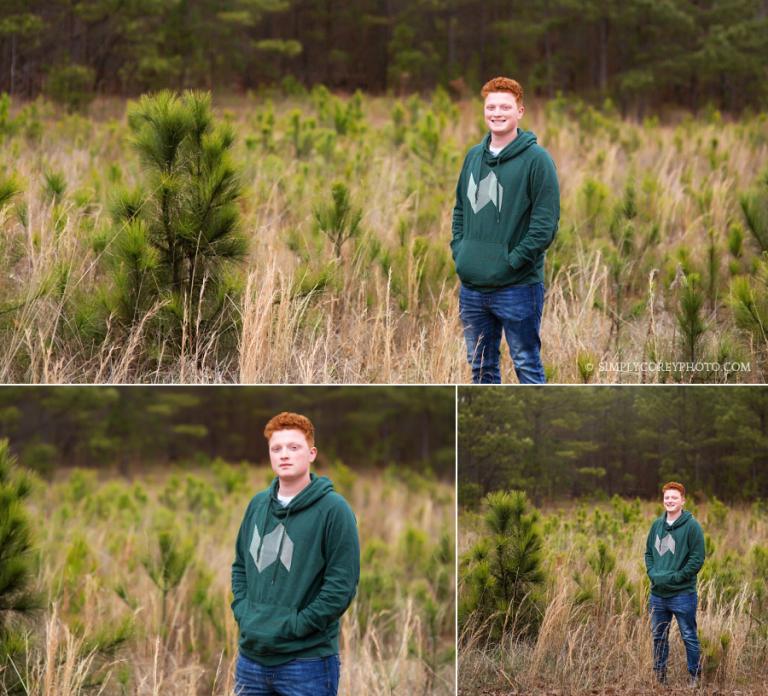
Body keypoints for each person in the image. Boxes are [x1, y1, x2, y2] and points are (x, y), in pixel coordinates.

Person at [231, 412, 360, 696]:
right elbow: (240, 566)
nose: (284, 455)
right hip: (250, 660)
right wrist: (244, 613)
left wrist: (297, 626)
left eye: (294, 447)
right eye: (276, 448)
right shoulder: (257, 505)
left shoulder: (334, 510)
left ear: (312, 453)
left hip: (307, 662)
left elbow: (341, 586)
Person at [451, 76, 560, 384]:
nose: (497, 113)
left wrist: (512, 261)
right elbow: (460, 209)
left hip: (517, 287)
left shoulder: (537, 161)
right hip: (472, 287)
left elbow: (545, 225)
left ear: (520, 111)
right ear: (484, 110)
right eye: (491, 107)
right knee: (481, 368)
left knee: (526, 365)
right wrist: (461, 252)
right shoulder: (473, 156)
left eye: (505, 107)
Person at [644, 481, 705, 687]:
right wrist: (652, 573)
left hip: (682, 594)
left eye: (674, 498)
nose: (669, 501)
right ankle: (660, 678)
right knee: (659, 636)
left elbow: (697, 559)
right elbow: (648, 553)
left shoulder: (692, 526)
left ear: (683, 501)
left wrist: (677, 578)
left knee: (688, 636)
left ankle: (695, 677)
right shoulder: (656, 526)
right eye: (667, 498)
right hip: (657, 594)